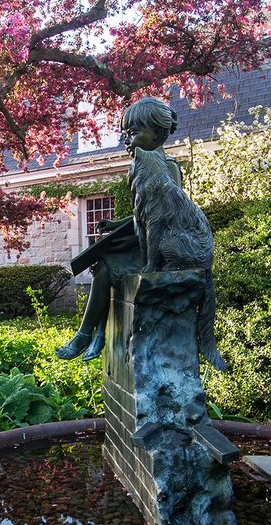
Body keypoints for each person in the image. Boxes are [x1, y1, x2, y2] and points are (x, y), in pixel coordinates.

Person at [55, 96, 182, 362]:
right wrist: (117, 224)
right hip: (142, 239)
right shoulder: (138, 167)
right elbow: (142, 213)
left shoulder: (168, 168)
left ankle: (88, 335)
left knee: (105, 265)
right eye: (124, 134)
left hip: (157, 251)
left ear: (158, 134)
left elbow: (168, 217)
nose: (127, 140)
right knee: (101, 264)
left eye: (133, 133)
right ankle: (94, 334)